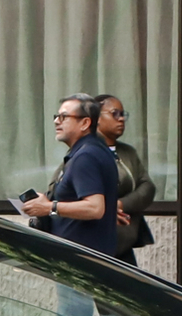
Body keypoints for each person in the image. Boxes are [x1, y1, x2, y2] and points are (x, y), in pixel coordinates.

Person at [23, 94, 119, 252]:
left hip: (84, 260)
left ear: (85, 123)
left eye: (64, 117)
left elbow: (95, 208)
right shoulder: (91, 151)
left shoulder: (86, 157)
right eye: (57, 116)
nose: (56, 121)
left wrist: (49, 207)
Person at [97, 95, 157, 261]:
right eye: (115, 113)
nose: (121, 119)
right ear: (97, 118)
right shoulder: (87, 152)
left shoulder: (127, 152)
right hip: (95, 247)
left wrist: (120, 204)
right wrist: (106, 208)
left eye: (123, 114)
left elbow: (147, 187)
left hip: (123, 247)